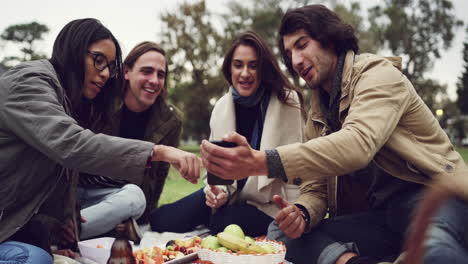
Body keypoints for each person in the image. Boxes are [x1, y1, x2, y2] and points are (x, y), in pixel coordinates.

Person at [200, 4, 468, 264]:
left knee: (433, 252)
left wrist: (262, 161)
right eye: (289, 53)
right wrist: (302, 213)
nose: (295, 61)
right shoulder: (317, 109)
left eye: (302, 45)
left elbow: (357, 145)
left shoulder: (378, 74)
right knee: (280, 233)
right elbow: (316, 188)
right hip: (380, 217)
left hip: (431, 197)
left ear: (330, 39)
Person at [0, 18, 201, 263]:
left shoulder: (77, 100)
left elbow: (54, 177)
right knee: (36, 259)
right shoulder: (29, 82)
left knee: (132, 198)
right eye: (98, 60)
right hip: (11, 223)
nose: (105, 73)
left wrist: (61, 224)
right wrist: (159, 151)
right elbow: (74, 146)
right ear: (73, 51)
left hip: (30, 220)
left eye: (108, 66)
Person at [150, 31, 305, 237]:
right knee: (161, 219)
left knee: (224, 222)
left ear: (263, 68)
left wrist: (298, 211)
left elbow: (297, 167)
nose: (245, 73)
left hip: (269, 201)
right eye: (238, 65)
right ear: (229, 68)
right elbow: (217, 173)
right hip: (231, 195)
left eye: (253, 65)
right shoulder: (222, 106)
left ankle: (221, 217)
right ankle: (218, 213)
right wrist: (217, 194)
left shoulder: (287, 101)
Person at [76, 41, 183, 242]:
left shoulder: (170, 121)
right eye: (147, 71)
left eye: (161, 74)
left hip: (114, 199)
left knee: (135, 196)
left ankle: (72, 232)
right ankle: (75, 227)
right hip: (76, 190)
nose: (154, 80)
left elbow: (158, 178)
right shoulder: (100, 98)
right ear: (127, 72)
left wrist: (140, 217)